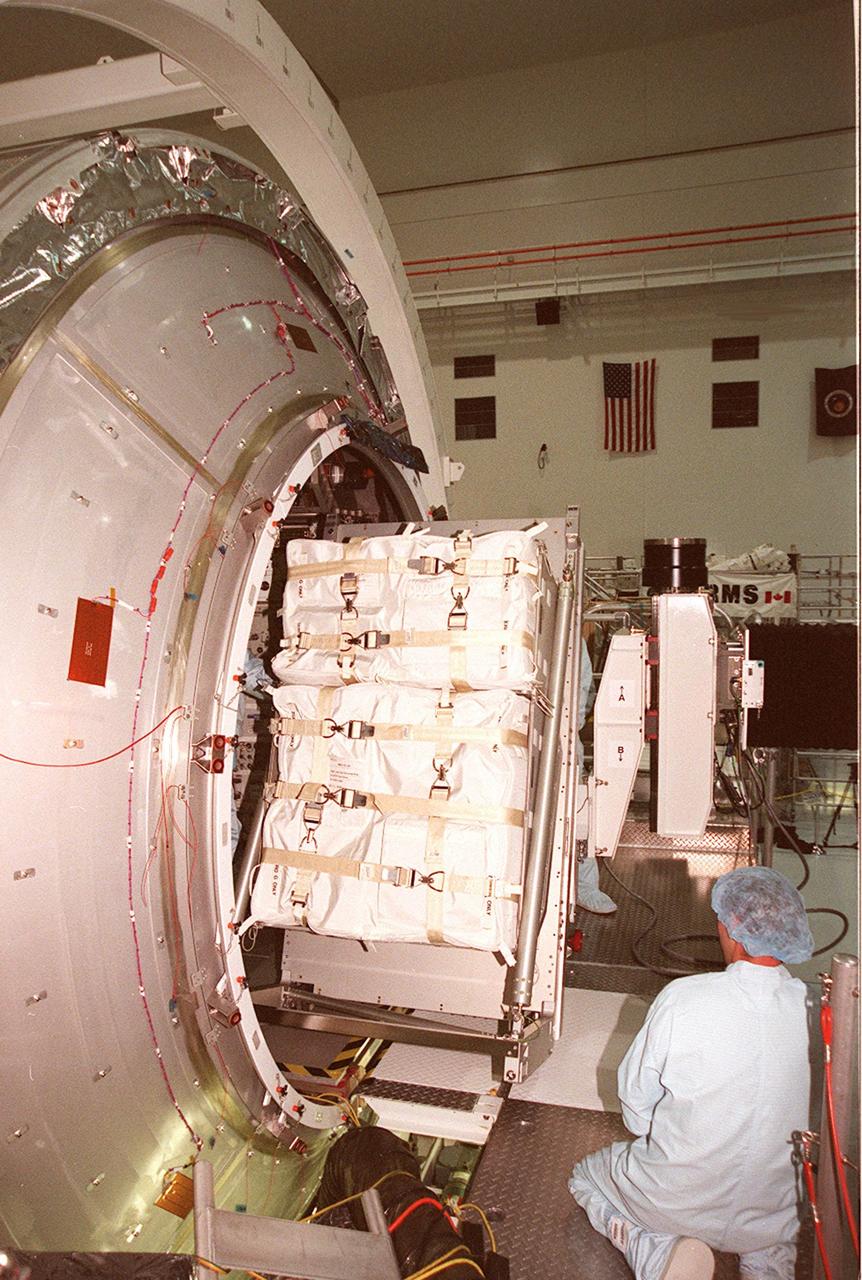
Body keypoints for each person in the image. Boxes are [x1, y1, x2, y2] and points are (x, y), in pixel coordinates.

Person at [569, 865, 814, 1280]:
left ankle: (657, 1252)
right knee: (774, 1227)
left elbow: (635, 1108)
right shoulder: (815, 1011)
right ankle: (766, 1265)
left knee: (585, 1178)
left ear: (730, 929)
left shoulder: (684, 999)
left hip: (671, 1201)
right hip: (772, 1212)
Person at [576, 636, 617, 914]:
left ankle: (583, 886)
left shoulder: (568, 634)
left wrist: (569, 725)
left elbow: (583, 688)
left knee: (578, 813)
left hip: (562, 738)